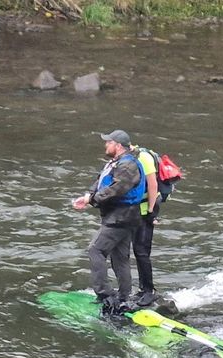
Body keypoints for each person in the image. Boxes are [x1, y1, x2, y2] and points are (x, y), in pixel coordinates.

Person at [71, 129, 145, 317]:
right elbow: (100, 181)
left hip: (121, 217)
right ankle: (124, 296)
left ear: (118, 145)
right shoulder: (116, 162)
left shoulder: (128, 166)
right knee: (120, 257)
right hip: (122, 216)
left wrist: (92, 200)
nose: (105, 145)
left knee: (95, 250)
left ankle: (105, 295)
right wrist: (88, 195)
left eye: (108, 142)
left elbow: (117, 188)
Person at [128, 140, 180, 317]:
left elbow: (152, 185)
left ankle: (149, 290)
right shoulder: (136, 156)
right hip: (141, 209)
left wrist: (151, 212)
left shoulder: (143, 157)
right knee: (138, 250)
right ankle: (144, 289)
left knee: (142, 252)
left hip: (147, 209)